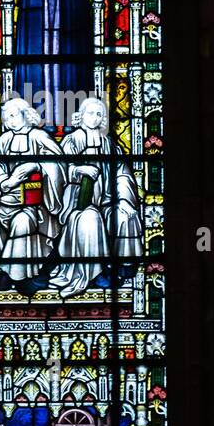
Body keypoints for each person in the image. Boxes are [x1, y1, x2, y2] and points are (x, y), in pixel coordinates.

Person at [50, 96, 143, 298]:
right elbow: (59, 172)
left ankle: (123, 270)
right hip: (77, 204)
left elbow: (122, 175)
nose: (94, 118)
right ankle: (92, 274)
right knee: (91, 219)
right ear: (81, 116)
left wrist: (125, 200)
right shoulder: (71, 141)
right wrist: (78, 170)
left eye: (99, 114)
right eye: (90, 113)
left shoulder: (109, 144)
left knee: (126, 216)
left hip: (108, 201)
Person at [0, 97, 64, 290]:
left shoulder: (39, 137)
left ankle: (19, 276)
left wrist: (36, 165)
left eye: (13, 116)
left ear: (26, 115)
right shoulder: (4, 140)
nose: (10, 121)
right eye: (6, 118)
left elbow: (59, 165)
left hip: (35, 205)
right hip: (5, 201)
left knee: (22, 222)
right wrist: (4, 180)